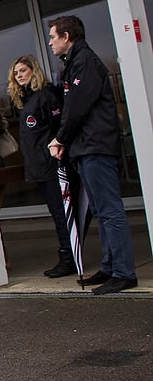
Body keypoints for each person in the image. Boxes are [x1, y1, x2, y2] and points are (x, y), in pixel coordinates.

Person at [46, 15, 136, 295]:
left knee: (110, 211)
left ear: (67, 37)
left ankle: (124, 272)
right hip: (85, 148)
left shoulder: (85, 62)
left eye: (53, 37)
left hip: (96, 147)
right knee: (100, 210)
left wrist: (60, 138)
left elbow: (77, 108)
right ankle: (110, 267)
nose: (50, 42)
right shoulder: (74, 63)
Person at [7, 55, 75, 278]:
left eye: (23, 71)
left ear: (33, 71)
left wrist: (58, 155)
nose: (19, 76)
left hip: (52, 165)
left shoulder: (46, 96)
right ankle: (69, 254)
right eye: (16, 73)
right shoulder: (27, 101)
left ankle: (69, 257)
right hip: (40, 168)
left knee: (60, 213)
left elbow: (60, 128)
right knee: (56, 213)